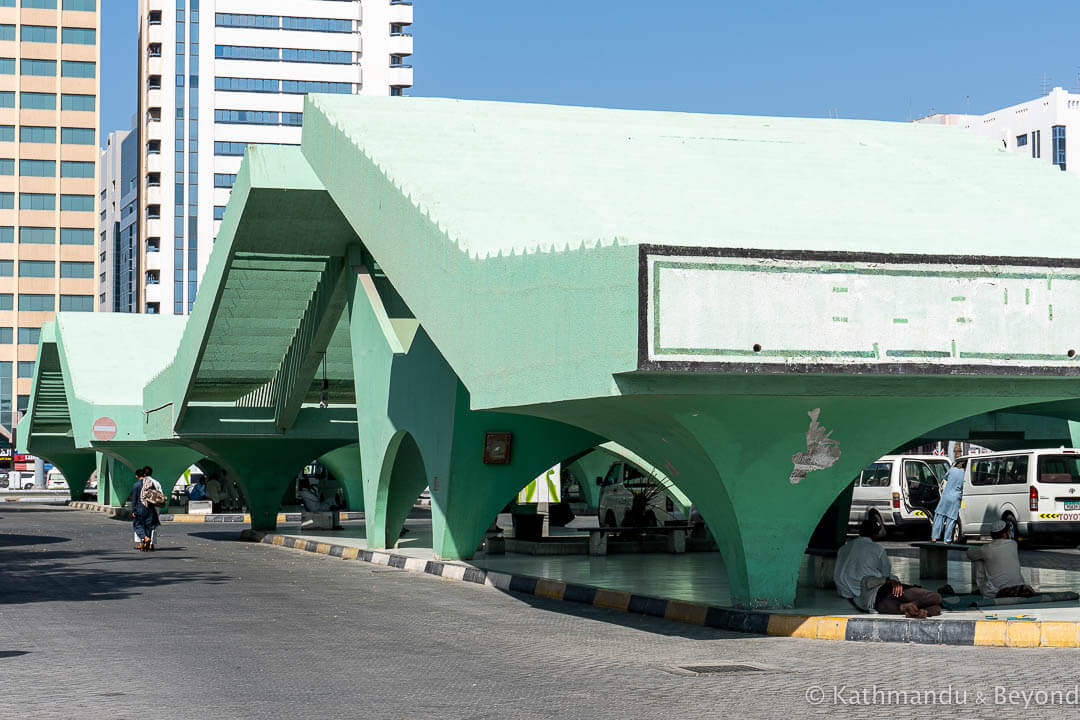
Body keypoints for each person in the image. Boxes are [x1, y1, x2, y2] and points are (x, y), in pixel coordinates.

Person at [835, 518, 943, 618]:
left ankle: (913, 609)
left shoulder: (843, 548)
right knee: (936, 598)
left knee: (935, 608)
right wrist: (890, 581)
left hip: (847, 592)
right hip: (877, 590)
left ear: (860, 532)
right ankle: (914, 606)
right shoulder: (877, 548)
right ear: (875, 534)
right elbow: (885, 574)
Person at [967, 520, 1036, 597]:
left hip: (997, 590)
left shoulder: (986, 548)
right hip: (1018, 586)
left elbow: (970, 554)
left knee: (978, 559)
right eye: (1008, 531)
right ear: (1004, 534)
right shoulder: (1013, 544)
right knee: (982, 556)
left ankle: (977, 587)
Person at [931, 459, 966, 543]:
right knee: (951, 519)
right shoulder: (965, 475)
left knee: (940, 516)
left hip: (946, 496)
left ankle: (934, 538)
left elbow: (945, 477)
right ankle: (947, 540)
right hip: (956, 498)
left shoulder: (952, 470)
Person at [130, 466, 163, 551]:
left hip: (141, 507)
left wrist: (133, 510)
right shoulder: (155, 483)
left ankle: (143, 541)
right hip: (153, 507)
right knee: (151, 526)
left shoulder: (139, 484)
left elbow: (134, 499)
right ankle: (151, 544)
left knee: (138, 524)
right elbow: (160, 495)